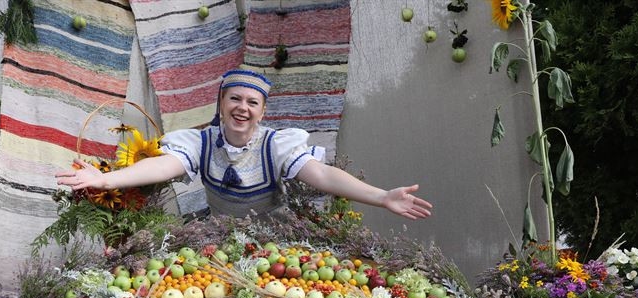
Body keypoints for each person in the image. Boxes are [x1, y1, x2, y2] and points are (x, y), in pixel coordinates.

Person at [56, 69, 432, 221]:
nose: (242, 108)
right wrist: (107, 180)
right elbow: (160, 166)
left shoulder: (276, 146)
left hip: (274, 242)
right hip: (218, 236)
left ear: (262, 111)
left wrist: (382, 196)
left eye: (252, 102)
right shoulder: (200, 143)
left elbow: (322, 175)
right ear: (221, 104)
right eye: (234, 99)